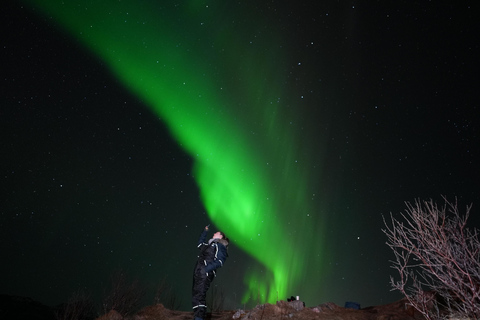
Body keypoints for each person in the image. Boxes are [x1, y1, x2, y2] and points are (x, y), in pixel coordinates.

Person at [192, 225, 229, 320]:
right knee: (196, 296)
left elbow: (220, 261)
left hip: (205, 273)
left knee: (199, 295)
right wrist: (205, 231)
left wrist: (206, 269)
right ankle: (198, 317)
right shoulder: (209, 245)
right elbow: (199, 244)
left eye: (216, 233)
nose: (213, 233)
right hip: (198, 272)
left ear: (220, 236)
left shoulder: (220, 245)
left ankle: (199, 318)